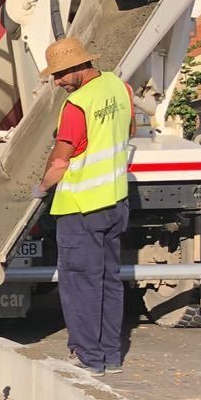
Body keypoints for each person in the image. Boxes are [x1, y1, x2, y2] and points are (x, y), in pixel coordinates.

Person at [33, 36, 134, 377]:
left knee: (80, 284)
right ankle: (111, 355)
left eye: (60, 75)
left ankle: (88, 357)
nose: (57, 82)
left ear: (78, 67)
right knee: (109, 280)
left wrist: (40, 189)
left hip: (80, 208)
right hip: (115, 202)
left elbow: (60, 163)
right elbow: (127, 132)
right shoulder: (120, 89)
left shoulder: (76, 105)